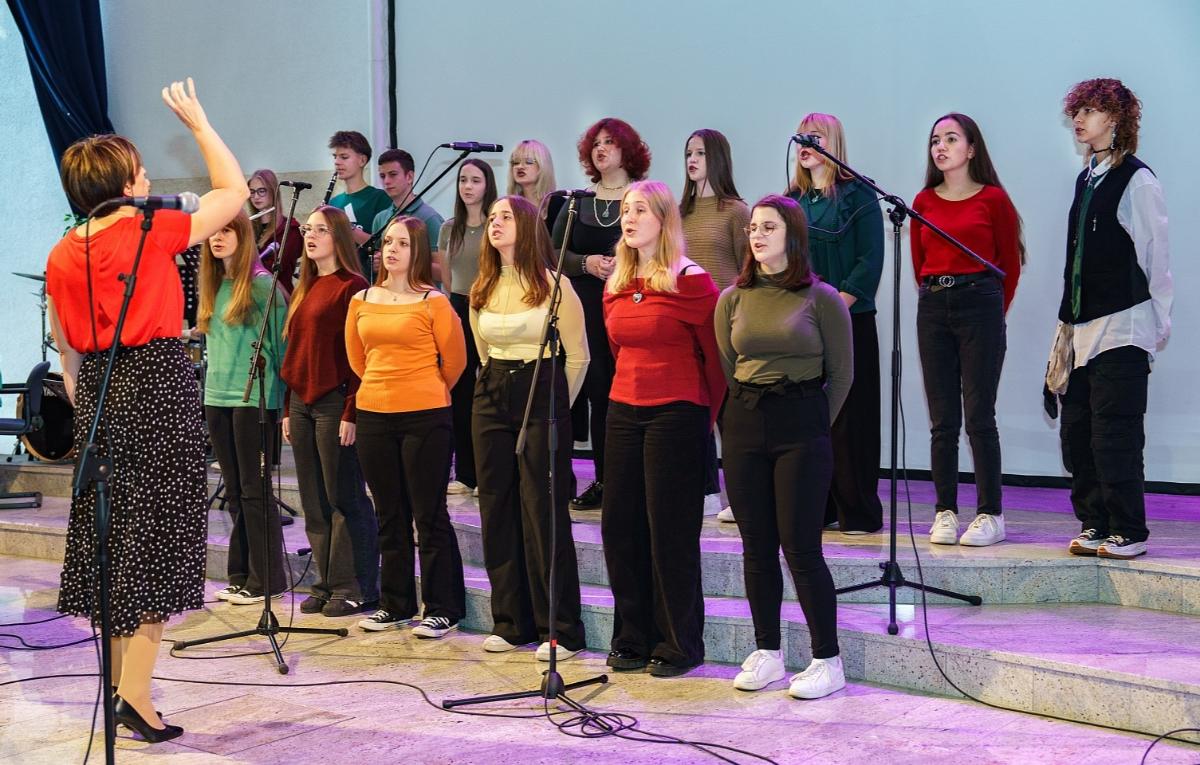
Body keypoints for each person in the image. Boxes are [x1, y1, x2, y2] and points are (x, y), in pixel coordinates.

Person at [47, 78, 248, 742]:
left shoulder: (62, 251)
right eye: (141, 171)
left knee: (117, 543)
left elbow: (68, 356)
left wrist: (91, 414)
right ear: (124, 184)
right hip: (157, 383)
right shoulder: (145, 227)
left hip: (100, 393)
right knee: (156, 544)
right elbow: (233, 193)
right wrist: (199, 125)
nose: (151, 178)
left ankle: (121, 686)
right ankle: (134, 696)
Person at [715, 194, 853, 699]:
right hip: (746, 422)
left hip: (801, 424)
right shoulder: (732, 298)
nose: (757, 235)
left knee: (800, 546)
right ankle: (768, 652)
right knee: (756, 545)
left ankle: (827, 660)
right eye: (753, 227)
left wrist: (812, 425)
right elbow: (728, 366)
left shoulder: (822, 298)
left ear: (793, 235)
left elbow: (842, 375)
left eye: (768, 227)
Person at [601, 180, 724, 678]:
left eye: (640, 211)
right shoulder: (616, 282)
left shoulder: (691, 280)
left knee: (670, 530)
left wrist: (703, 423)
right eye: (625, 210)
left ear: (663, 219)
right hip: (623, 409)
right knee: (620, 527)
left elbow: (715, 363)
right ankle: (631, 637)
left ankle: (679, 642)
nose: (629, 219)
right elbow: (617, 349)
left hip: (676, 411)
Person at [1050, 78, 1172, 560]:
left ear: (1116, 119)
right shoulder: (1087, 179)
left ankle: (1129, 530)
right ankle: (1095, 523)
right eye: (1077, 111)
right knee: (1077, 434)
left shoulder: (1137, 180)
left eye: (1091, 110)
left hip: (1124, 327)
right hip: (1081, 331)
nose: (1079, 119)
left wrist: (1156, 327)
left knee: (1115, 434)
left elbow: (1155, 258)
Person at [470, 196, 590, 659]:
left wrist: (555, 406)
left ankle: (560, 629)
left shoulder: (554, 284)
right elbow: (482, 350)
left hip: (542, 389)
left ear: (526, 225)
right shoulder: (483, 284)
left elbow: (579, 357)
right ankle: (511, 622)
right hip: (492, 391)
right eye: (492, 218)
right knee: (496, 507)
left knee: (543, 510)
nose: (495, 223)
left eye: (505, 217)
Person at [345, 216, 467, 637]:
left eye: (402, 243)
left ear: (417, 252)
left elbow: (455, 362)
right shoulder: (361, 299)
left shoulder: (434, 301)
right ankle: (395, 604)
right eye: (388, 242)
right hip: (374, 413)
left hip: (425, 415)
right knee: (388, 512)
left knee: (428, 514)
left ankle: (443, 607)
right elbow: (357, 360)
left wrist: (424, 390)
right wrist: (384, 389)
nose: (392, 250)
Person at [912, 113, 1022, 548]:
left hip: (980, 304)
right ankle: (945, 510)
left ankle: (991, 514)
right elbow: (920, 265)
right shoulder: (922, 201)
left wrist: (993, 312)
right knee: (943, 421)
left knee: (979, 416)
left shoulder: (993, 199)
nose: (940, 147)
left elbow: (1009, 265)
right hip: (934, 306)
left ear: (972, 149)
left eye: (951, 139)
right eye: (935, 140)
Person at [281, 205, 380, 617]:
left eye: (320, 230)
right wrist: (288, 408)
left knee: (344, 496)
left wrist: (351, 412)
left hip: (335, 400)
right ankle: (325, 581)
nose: (310, 236)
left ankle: (355, 585)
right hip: (301, 401)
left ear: (338, 236)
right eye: (308, 229)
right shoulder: (305, 285)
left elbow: (360, 356)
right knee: (314, 498)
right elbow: (294, 352)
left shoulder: (352, 286)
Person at [787, 113, 884, 534]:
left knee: (852, 419)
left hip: (849, 319)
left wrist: (835, 307)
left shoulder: (859, 194)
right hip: (804, 325)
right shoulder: (792, 200)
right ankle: (819, 505)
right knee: (813, 416)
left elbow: (869, 260)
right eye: (801, 137)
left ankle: (857, 510)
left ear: (834, 144)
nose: (805, 143)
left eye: (816, 136)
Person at [552, 118, 651, 511]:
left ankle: (636, 481)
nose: (601, 149)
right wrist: (586, 263)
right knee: (598, 393)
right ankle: (606, 480)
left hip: (633, 305)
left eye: (610, 142)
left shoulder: (644, 198)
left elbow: (660, 248)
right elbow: (554, 254)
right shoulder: (578, 202)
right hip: (587, 309)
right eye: (596, 143)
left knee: (632, 392)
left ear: (628, 150)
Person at [197, 210, 288, 607]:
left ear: (243, 235)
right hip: (216, 398)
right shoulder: (212, 284)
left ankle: (267, 580)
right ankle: (240, 574)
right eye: (213, 232)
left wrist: (281, 405)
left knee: (254, 491)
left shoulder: (263, 286)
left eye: (227, 230)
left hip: (253, 400)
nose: (217, 238)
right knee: (234, 492)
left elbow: (281, 349)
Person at [679, 128, 751, 518]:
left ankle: (741, 495)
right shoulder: (678, 212)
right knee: (693, 410)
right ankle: (706, 491)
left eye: (701, 153)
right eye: (689, 153)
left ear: (718, 158)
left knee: (729, 414)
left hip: (722, 325)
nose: (692, 160)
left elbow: (748, 271)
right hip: (683, 325)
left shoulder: (736, 211)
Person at [438, 159, 497, 496]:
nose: (468, 186)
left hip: (490, 306)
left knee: (489, 389)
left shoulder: (496, 224)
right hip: (460, 307)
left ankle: (490, 471)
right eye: (463, 180)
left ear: (487, 185)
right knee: (460, 391)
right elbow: (448, 276)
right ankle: (466, 473)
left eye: (475, 180)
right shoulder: (449, 228)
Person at [371, 148, 445, 280]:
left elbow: (442, 272)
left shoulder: (430, 218)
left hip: (420, 291)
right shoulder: (380, 218)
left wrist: (405, 262)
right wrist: (377, 263)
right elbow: (379, 260)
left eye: (393, 174)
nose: (386, 181)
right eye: (382, 176)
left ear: (409, 177)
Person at [327, 130, 392, 257]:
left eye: (344, 157)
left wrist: (348, 228)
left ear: (362, 160)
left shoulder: (380, 198)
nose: (337, 162)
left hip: (367, 268)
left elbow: (384, 245)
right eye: (335, 157)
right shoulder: (333, 203)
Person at [246, 168, 302, 295]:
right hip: (250, 295)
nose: (256, 197)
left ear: (273, 191)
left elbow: (273, 269)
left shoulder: (290, 229)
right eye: (252, 192)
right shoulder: (248, 227)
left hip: (277, 297)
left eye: (261, 191)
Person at [508, 139, 563, 233]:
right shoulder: (508, 205)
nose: (520, 166)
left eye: (528, 162)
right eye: (516, 162)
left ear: (543, 166)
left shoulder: (559, 205)